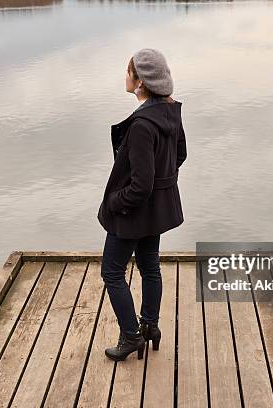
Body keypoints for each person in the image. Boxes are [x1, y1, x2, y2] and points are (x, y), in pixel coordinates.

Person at [97, 48, 187, 361]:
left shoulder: (141, 126)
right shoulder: (170, 112)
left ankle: (132, 336)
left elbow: (140, 185)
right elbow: (180, 156)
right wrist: (163, 185)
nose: (125, 77)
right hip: (156, 211)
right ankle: (150, 327)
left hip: (133, 213)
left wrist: (115, 201)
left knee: (111, 271)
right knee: (150, 266)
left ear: (140, 83)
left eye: (129, 72)